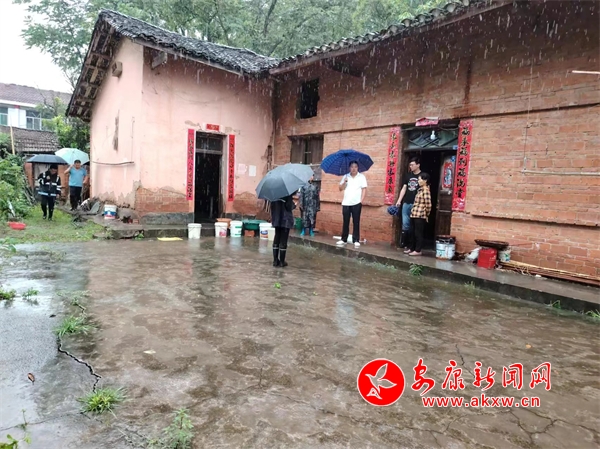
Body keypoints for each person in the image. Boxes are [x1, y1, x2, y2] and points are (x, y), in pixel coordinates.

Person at [337, 161, 368, 248]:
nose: (353, 169)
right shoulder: (346, 176)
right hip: (346, 202)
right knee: (345, 221)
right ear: (349, 168)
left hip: (356, 203)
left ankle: (356, 240)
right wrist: (344, 182)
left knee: (356, 221)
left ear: (358, 168)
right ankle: (344, 239)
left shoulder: (361, 177)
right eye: (352, 167)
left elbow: (364, 189)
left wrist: (361, 201)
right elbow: (340, 188)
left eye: (355, 167)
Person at [396, 157, 422, 249]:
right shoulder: (408, 176)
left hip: (416, 204)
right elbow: (404, 188)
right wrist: (399, 200)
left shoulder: (422, 176)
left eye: (412, 165)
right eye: (410, 165)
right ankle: (404, 243)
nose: (410, 166)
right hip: (406, 202)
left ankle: (412, 245)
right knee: (405, 223)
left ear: (418, 165)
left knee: (414, 225)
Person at [406, 173, 432, 256]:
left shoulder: (426, 191)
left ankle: (418, 250)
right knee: (412, 232)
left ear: (425, 180)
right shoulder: (419, 190)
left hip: (420, 215)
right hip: (414, 213)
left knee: (418, 233)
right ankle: (412, 248)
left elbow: (428, 204)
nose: (418, 181)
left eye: (420, 179)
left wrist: (426, 214)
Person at [271, 194, 295, 267]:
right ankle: (282, 262)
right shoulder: (287, 194)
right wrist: (294, 205)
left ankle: (275, 261)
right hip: (285, 220)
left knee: (277, 237)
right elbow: (288, 206)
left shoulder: (273, 194)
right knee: (283, 240)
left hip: (276, 218)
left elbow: (272, 207)